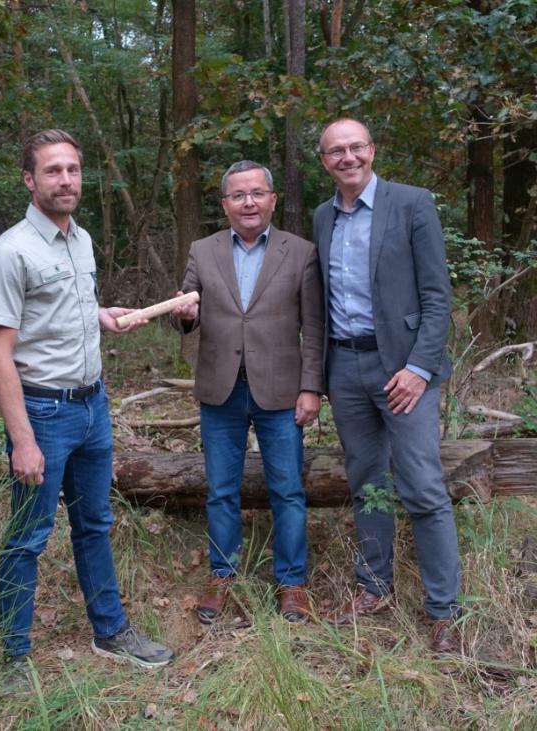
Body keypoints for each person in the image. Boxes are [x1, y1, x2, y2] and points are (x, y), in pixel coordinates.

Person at [0, 129, 174, 671]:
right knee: (28, 538)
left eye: (73, 170)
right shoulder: (9, 253)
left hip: (94, 408)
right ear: (29, 179)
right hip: (43, 414)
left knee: (94, 524)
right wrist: (22, 440)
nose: (65, 180)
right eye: (52, 171)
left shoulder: (81, 239)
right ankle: (15, 658)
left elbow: (66, 309)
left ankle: (109, 632)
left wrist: (101, 315)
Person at [313, 118, 462, 653]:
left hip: (405, 373)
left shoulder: (411, 203)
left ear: (372, 150)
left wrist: (420, 369)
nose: (348, 157)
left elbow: (437, 296)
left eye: (356, 147)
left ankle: (445, 611)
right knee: (366, 480)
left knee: (422, 487)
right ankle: (373, 586)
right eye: (337, 151)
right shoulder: (322, 217)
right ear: (324, 160)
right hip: (346, 370)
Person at [171, 160, 324, 624]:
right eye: (238, 195)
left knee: (288, 490)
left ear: (272, 199)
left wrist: (311, 387)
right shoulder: (203, 249)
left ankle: (291, 583)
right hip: (221, 388)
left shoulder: (301, 253)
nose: (249, 202)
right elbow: (187, 310)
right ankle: (222, 576)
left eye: (257, 193)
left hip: (281, 390)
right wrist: (183, 313)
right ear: (225, 205)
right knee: (220, 490)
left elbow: (314, 327)